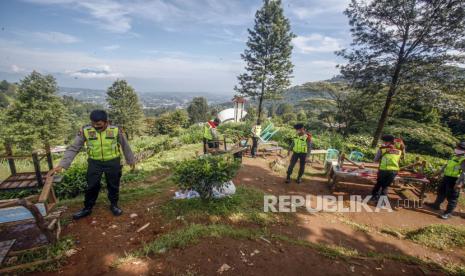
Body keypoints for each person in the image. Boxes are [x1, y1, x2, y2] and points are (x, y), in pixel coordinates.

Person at [54, 110, 136, 219]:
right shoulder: (85, 131)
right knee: (91, 186)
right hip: (94, 163)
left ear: (106, 122)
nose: (95, 126)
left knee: (113, 185)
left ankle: (114, 205)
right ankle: (87, 208)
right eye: (93, 123)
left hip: (113, 162)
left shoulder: (116, 130)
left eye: (99, 124)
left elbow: (125, 146)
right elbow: (74, 148)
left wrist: (130, 160)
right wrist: (63, 164)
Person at [427, 141, 465, 219]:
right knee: (441, 191)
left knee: (452, 197)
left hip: (455, 180)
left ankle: (448, 213)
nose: (457, 148)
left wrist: (460, 183)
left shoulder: (463, 159)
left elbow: (464, 173)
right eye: (457, 147)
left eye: (459, 148)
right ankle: (436, 205)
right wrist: (437, 174)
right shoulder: (453, 156)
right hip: (446, 177)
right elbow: (445, 166)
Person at [371, 134, 402, 201]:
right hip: (394, 171)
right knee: (385, 186)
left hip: (383, 170)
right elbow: (398, 161)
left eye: (384, 141)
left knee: (379, 183)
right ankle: (381, 202)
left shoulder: (382, 149)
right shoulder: (399, 151)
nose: (383, 142)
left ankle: (374, 197)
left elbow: (375, 160)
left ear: (387, 142)